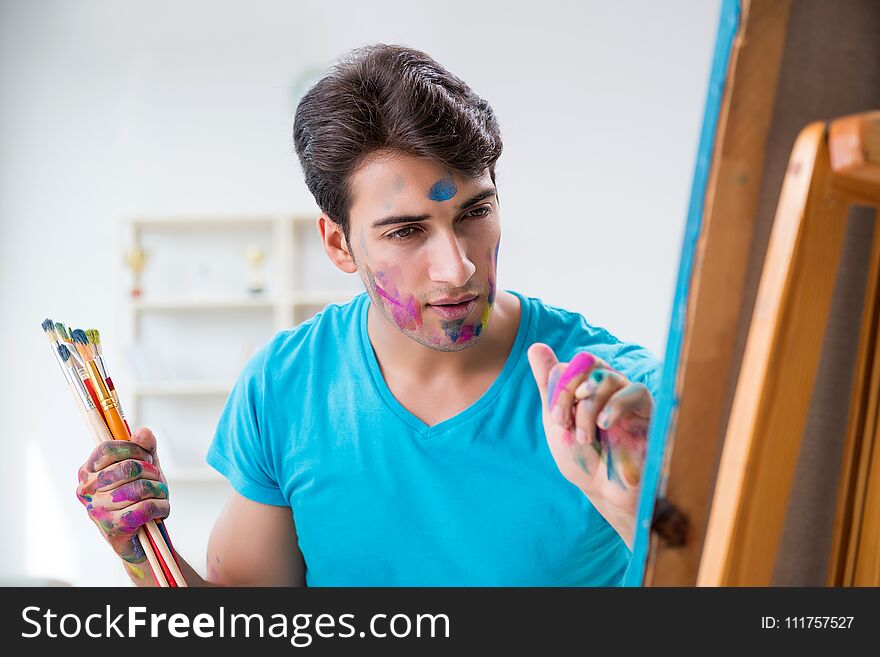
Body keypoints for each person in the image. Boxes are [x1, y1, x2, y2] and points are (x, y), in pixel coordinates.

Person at [76, 44, 661, 586]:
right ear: (338, 244)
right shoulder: (285, 387)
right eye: (406, 230)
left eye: (474, 212)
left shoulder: (618, 400)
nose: (456, 269)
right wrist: (137, 550)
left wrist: (643, 510)